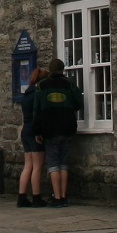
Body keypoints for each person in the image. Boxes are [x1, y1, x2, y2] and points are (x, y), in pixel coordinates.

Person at [32, 58, 83, 207]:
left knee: (53, 163)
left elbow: (37, 110)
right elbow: (78, 102)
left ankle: (57, 197)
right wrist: (67, 108)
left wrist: (37, 131)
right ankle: (64, 196)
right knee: (63, 163)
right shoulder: (69, 84)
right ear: (63, 69)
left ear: (50, 69)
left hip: (49, 128)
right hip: (67, 126)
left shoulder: (41, 86)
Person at [16, 66, 47, 207]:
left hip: (25, 130)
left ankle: (22, 196)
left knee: (27, 165)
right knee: (37, 166)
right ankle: (36, 196)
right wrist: (38, 133)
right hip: (35, 131)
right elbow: (38, 116)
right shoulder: (38, 95)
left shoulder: (26, 95)